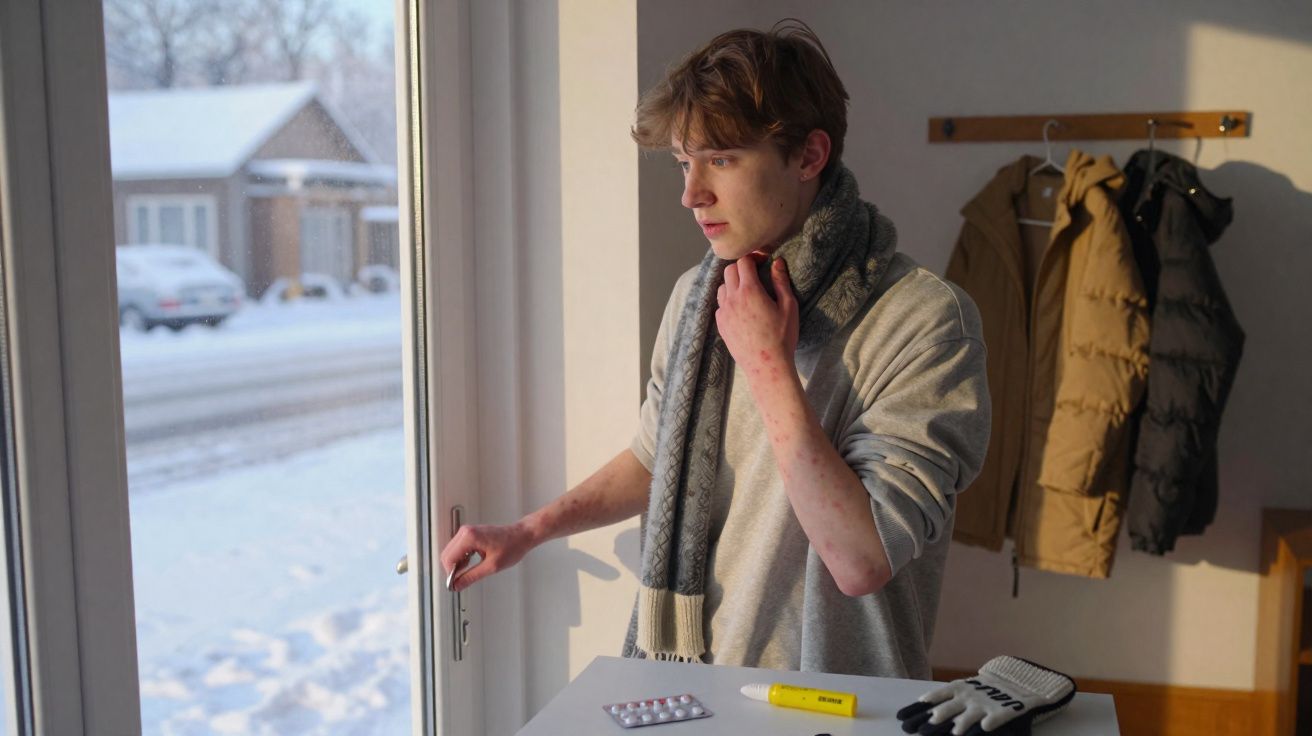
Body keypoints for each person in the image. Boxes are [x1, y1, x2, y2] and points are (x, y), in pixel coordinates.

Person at [439, 19, 990, 679]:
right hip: (692, 690)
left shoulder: (925, 319)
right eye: (683, 161)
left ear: (810, 156)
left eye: (722, 159)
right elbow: (655, 455)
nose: (690, 194)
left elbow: (860, 559)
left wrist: (768, 365)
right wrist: (530, 531)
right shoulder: (703, 299)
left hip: (840, 705)